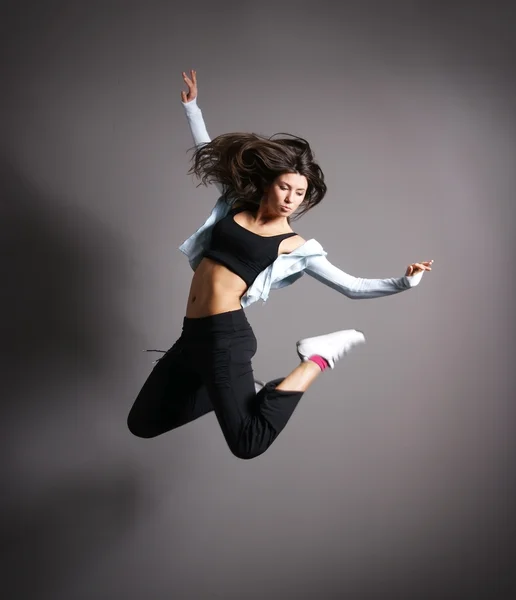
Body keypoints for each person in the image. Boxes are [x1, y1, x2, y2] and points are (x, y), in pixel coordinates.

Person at [127, 69, 434, 460]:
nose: (291, 197)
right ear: (270, 183)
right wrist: (192, 108)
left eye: (300, 193)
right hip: (194, 335)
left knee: (248, 443)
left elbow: (352, 286)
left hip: (226, 338)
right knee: (143, 423)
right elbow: (209, 152)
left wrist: (405, 282)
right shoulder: (236, 203)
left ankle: (318, 358)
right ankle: (244, 391)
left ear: (305, 199)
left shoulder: (295, 246)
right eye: (286, 187)